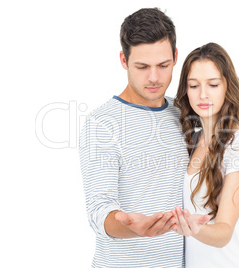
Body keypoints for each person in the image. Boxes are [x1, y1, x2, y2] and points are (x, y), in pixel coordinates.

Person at [79, 8, 208, 267]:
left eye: (163, 65)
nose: (154, 77)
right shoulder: (102, 124)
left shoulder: (184, 113)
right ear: (124, 61)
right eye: (142, 66)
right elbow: (99, 211)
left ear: (175, 57)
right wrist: (130, 225)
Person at [173, 42, 239, 267]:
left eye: (213, 84)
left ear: (227, 86)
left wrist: (195, 228)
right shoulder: (193, 140)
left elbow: (224, 231)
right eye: (194, 85)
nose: (203, 94)